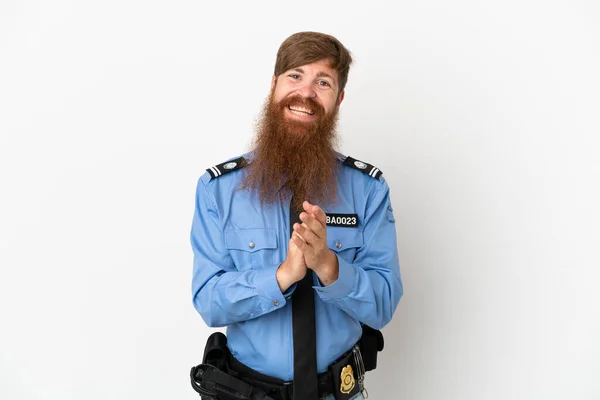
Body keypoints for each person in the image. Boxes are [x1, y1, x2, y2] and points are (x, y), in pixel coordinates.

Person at [190, 31, 403, 400]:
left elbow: (383, 303)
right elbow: (209, 301)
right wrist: (282, 276)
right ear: (273, 85)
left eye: (323, 82)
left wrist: (328, 265)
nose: (306, 93)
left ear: (338, 98)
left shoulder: (368, 189)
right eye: (295, 76)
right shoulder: (219, 189)